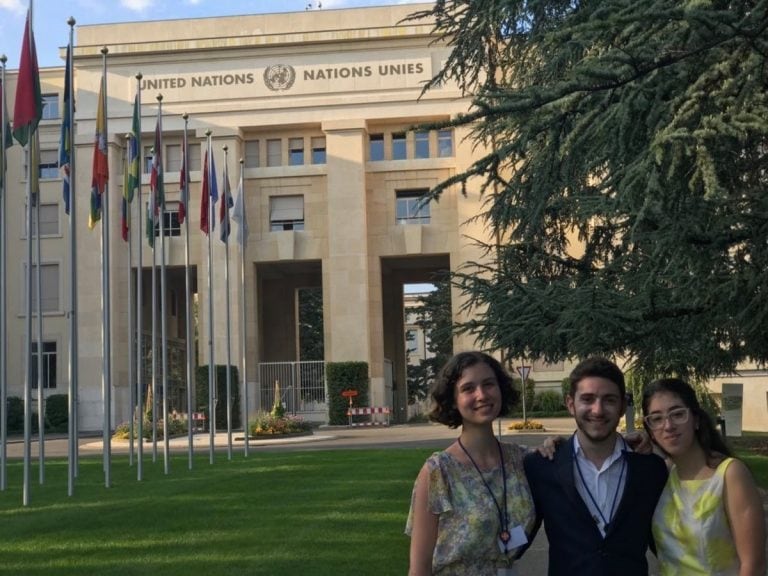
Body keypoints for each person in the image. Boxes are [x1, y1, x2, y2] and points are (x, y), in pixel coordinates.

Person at [523, 356, 668, 575]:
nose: (598, 410)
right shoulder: (542, 467)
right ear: (570, 404)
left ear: (622, 406)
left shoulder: (651, 469)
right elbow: (516, 539)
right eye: (588, 399)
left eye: (609, 400)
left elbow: (669, 543)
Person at [406, 351, 536, 575]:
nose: (482, 395)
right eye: (468, 389)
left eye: (489, 384)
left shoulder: (523, 462)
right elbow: (419, 568)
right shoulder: (438, 472)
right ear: (453, 401)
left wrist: (554, 445)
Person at [642, 377, 766, 576]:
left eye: (678, 414)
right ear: (650, 431)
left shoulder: (729, 474)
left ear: (696, 419)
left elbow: (753, 566)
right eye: (656, 418)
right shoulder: (662, 475)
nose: (668, 426)